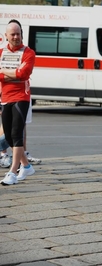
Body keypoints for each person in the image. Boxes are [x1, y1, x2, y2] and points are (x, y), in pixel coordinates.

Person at [0, 20, 36, 185]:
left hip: (22, 97)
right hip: (5, 97)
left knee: (16, 134)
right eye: (12, 34)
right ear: (6, 36)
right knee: (8, 136)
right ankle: (26, 166)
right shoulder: (1, 52)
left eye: (18, 34)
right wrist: (13, 73)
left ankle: (13, 172)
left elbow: (23, 74)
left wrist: (4, 72)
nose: (16, 37)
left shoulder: (28, 53)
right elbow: (16, 73)